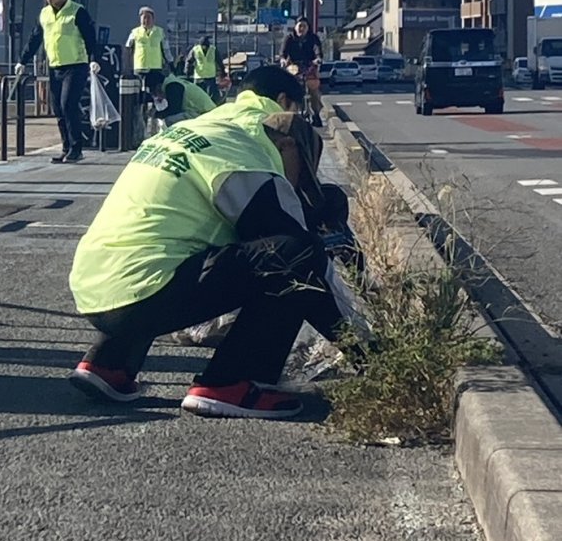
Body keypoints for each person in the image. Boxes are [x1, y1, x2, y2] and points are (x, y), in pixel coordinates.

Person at [67, 64, 369, 418]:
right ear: (284, 105)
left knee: (161, 251)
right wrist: (372, 354)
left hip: (93, 287)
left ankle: (109, 364)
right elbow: (299, 259)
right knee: (296, 254)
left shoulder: (203, 127)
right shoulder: (250, 146)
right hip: (146, 292)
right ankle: (230, 382)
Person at [17, 0, 101, 164]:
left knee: (68, 104)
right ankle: (66, 147)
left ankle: (76, 148)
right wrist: (23, 61)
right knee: (58, 109)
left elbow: (90, 38)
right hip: (55, 66)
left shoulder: (77, 11)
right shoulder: (44, 14)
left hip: (76, 66)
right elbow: (35, 38)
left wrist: (94, 59)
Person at [280, 15, 324, 127]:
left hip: (310, 66)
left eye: (304, 26)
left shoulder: (313, 38)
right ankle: (290, 114)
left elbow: (317, 50)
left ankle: (316, 114)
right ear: (295, 27)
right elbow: (283, 52)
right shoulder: (289, 38)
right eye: (300, 26)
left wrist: (318, 58)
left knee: (314, 89)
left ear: (308, 28)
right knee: (288, 89)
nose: (302, 29)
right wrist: (283, 60)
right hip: (294, 67)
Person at [145, 70, 216, 129]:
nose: (156, 96)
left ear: (158, 86)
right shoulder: (173, 82)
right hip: (204, 111)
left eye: (153, 92)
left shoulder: (172, 87)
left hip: (204, 113)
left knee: (168, 121)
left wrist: (156, 115)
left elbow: (174, 110)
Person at [186, 34, 225, 102]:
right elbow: (189, 61)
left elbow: (219, 61)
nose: (205, 48)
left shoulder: (213, 49)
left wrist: (223, 70)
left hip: (210, 76)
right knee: (197, 94)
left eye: (206, 46)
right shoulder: (195, 50)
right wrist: (187, 70)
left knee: (211, 95)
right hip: (199, 76)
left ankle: (211, 106)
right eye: (203, 46)